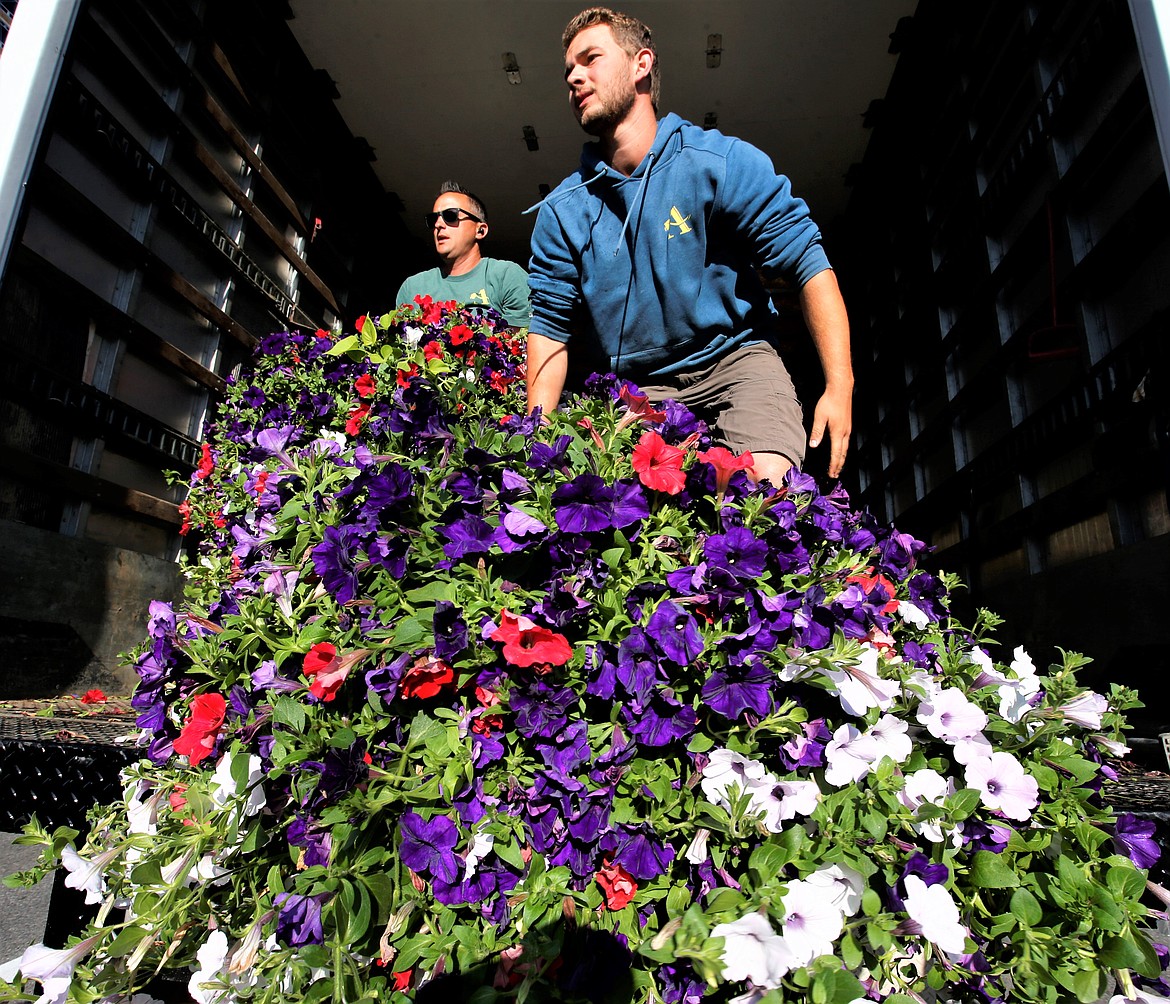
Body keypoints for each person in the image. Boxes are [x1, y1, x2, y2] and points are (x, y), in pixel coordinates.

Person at [525, 7, 853, 481]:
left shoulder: (719, 162)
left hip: (737, 363)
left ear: (641, 64)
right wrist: (536, 441)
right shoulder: (560, 211)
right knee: (634, 520)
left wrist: (839, 386)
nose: (574, 76)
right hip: (635, 391)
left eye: (591, 58)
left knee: (761, 494)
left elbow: (807, 263)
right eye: (568, 70)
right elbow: (550, 328)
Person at [396, 181, 532, 328]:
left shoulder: (505, 276)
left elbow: (526, 344)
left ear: (480, 230)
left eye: (450, 215)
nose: (438, 224)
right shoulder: (413, 288)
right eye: (433, 219)